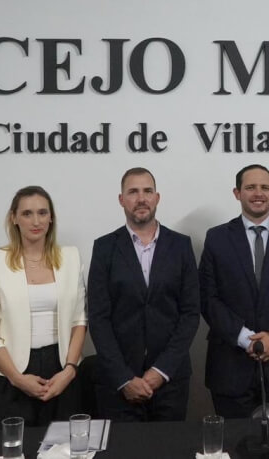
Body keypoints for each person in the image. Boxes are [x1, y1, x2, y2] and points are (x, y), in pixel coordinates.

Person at [87, 167, 200, 422]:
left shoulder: (181, 246)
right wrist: (124, 378)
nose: (141, 198)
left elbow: (190, 313)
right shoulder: (104, 248)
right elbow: (99, 318)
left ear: (157, 197)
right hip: (118, 385)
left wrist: (160, 371)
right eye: (133, 192)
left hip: (170, 381)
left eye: (147, 191)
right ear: (121, 200)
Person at [199, 164, 269, 417]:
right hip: (231, 366)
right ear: (237, 193)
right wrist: (243, 338)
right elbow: (208, 298)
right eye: (250, 187)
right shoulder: (217, 238)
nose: (258, 193)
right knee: (235, 446)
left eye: (265, 187)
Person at [0, 186, 87, 430]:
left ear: (51, 217)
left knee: (64, 452)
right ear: (14, 218)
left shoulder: (71, 257)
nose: (36, 221)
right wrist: (16, 378)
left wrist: (69, 370)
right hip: (9, 373)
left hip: (61, 372)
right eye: (27, 214)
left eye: (42, 212)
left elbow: (79, 320)